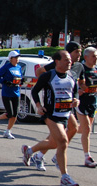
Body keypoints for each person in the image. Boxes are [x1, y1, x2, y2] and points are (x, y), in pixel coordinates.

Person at [21, 50, 80, 186]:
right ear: (57, 62)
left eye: (70, 59)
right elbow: (34, 91)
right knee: (63, 141)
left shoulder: (71, 75)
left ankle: (29, 151)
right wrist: (38, 106)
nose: (69, 61)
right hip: (51, 114)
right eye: (66, 59)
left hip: (66, 113)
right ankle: (65, 177)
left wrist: (76, 99)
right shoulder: (48, 76)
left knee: (54, 143)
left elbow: (75, 90)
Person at [31, 41, 84, 171]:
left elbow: (79, 83)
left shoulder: (78, 66)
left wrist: (77, 95)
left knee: (73, 129)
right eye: (76, 52)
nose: (78, 55)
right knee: (59, 139)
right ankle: (47, 154)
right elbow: (40, 72)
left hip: (67, 106)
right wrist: (47, 86)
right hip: (53, 107)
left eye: (80, 52)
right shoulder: (56, 65)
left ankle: (52, 153)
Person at [77, 46, 97, 168]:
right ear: (86, 57)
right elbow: (74, 85)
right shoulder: (80, 68)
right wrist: (79, 90)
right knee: (87, 129)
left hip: (93, 102)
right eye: (94, 56)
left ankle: (65, 132)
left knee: (83, 129)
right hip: (81, 102)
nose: (96, 58)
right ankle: (87, 157)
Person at [0, 50, 23, 139]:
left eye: (18, 57)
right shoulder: (6, 67)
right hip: (6, 93)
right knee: (10, 113)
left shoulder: (19, 67)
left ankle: (7, 131)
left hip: (16, 93)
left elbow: (19, 77)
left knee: (15, 114)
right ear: (11, 58)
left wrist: (21, 81)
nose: (17, 59)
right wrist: (4, 81)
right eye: (15, 58)